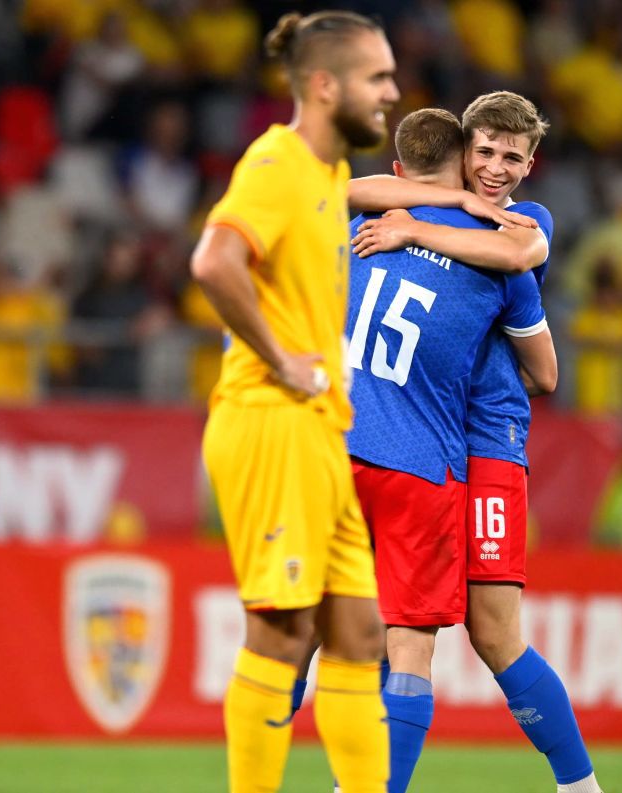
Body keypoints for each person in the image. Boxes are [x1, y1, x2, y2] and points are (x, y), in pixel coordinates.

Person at [348, 91, 603, 793]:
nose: (494, 169)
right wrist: (433, 212)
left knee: (492, 631)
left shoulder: (523, 223)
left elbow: (523, 275)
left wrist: (413, 231)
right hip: (421, 437)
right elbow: (347, 188)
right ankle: (365, 776)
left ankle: (580, 785)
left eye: (510, 156)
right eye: (483, 152)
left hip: (486, 439)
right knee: (392, 622)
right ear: (461, 153)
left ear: (531, 163)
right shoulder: (422, 207)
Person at [188, 12, 399, 793]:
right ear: (324, 84)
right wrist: (281, 360)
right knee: (280, 635)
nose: (392, 92)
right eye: (378, 78)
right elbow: (214, 260)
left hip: (319, 428)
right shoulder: (276, 163)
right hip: (271, 419)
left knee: (359, 632)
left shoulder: (332, 173)